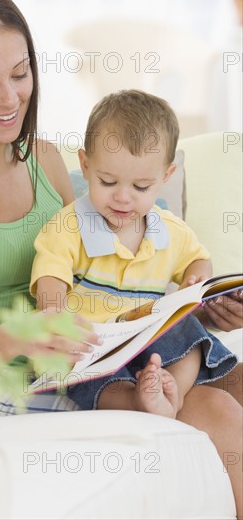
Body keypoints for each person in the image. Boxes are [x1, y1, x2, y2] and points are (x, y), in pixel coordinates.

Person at [0, 0, 242, 517]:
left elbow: (101, 271)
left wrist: (195, 308)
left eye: (20, 75)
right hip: (10, 379)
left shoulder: (44, 161)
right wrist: (28, 333)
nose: (9, 99)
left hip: (89, 351)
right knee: (217, 410)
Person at [30, 89, 238, 419]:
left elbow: (197, 258)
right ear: (85, 165)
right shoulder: (68, 225)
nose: (123, 198)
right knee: (92, 382)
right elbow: (50, 276)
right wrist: (56, 315)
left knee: (189, 332)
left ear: (165, 177)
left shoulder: (170, 230)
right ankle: (137, 401)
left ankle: (174, 392)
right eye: (108, 181)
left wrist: (196, 277)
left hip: (147, 343)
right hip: (93, 349)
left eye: (141, 187)